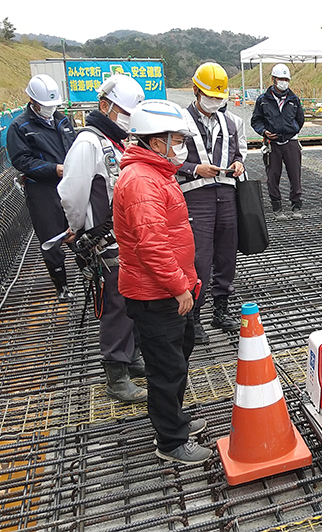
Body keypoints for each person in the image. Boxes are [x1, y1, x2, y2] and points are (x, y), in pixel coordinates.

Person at [115, 99, 210, 465]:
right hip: (156, 294)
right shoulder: (141, 181)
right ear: (156, 143)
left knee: (176, 361)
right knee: (166, 368)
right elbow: (151, 244)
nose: (181, 146)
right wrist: (178, 286)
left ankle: (176, 421)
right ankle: (170, 441)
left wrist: (188, 281)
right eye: (177, 139)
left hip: (169, 289)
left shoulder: (156, 174)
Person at [59, 75, 147, 404]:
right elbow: (72, 194)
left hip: (129, 239)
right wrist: (77, 229)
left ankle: (131, 355)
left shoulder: (120, 141)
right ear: (104, 105)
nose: (126, 117)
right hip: (105, 241)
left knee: (134, 301)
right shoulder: (89, 143)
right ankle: (116, 373)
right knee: (115, 306)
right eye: (122, 111)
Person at [177, 62, 244, 344]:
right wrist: (194, 168)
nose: (214, 101)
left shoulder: (230, 122)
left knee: (227, 255)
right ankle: (195, 317)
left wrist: (238, 163)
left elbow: (239, 152)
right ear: (195, 90)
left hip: (226, 194)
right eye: (210, 96)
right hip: (196, 196)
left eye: (219, 98)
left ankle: (221, 309)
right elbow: (170, 158)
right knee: (199, 258)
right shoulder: (180, 121)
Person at [7, 74, 77, 302]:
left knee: (79, 230)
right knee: (52, 238)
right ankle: (61, 285)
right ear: (32, 100)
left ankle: (89, 270)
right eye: (45, 105)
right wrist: (52, 169)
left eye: (53, 105)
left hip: (70, 184)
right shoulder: (20, 127)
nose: (50, 109)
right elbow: (22, 161)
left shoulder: (64, 121)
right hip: (42, 190)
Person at [251, 63, 305, 220]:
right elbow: (256, 120)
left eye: (286, 79)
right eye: (280, 79)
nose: (283, 82)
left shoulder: (294, 99)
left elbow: (300, 120)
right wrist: (264, 132)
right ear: (273, 79)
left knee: (295, 175)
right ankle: (277, 207)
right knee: (273, 175)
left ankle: (296, 206)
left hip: (291, 142)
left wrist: (291, 130)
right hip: (272, 144)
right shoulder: (263, 100)